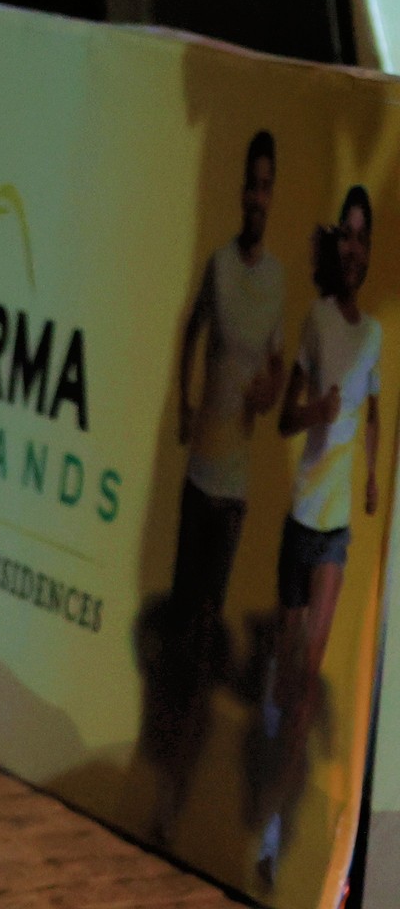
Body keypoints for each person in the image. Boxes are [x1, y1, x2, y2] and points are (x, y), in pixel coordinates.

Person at [144, 131, 282, 842]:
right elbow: (192, 329)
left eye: (266, 186)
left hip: (234, 492)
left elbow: (277, 371)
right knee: (178, 622)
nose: (257, 197)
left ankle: (176, 793)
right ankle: (161, 765)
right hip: (199, 473)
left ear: (272, 196)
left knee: (205, 632)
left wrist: (268, 392)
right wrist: (185, 402)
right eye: (250, 184)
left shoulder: (277, 282)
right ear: (241, 192)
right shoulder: (221, 266)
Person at [250, 184, 380, 890]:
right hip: (301, 520)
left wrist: (372, 477)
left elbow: (375, 408)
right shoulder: (317, 320)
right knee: (284, 673)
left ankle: (273, 833)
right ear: (339, 246)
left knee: (307, 681)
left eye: (364, 236)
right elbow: (286, 419)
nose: (354, 248)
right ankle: (267, 758)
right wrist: (316, 412)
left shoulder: (375, 335)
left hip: (334, 533)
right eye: (347, 235)